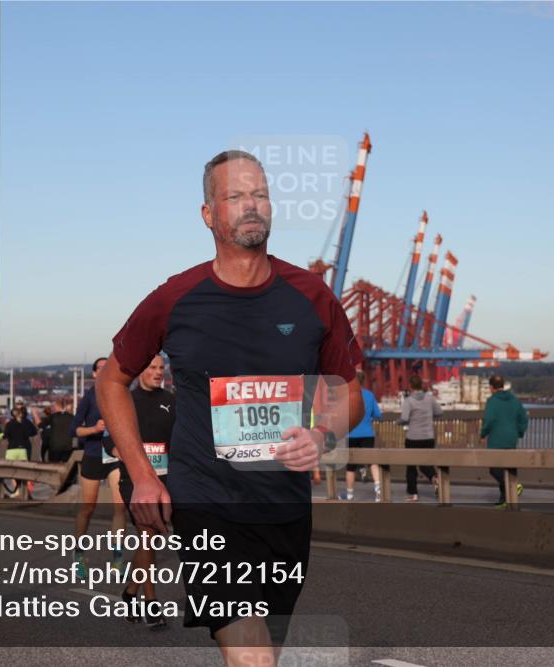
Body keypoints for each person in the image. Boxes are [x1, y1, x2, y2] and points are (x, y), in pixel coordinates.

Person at [97, 149, 364, 662]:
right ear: (208, 214)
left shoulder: (311, 296)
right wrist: (144, 475)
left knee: (269, 651)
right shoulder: (175, 298)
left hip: (285, 509)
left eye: (260, 195)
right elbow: (112, 381)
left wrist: (322, 434)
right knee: (253, 656)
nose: (251, 206)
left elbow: (350, 390)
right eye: (235, 196)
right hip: (207, 504)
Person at [107, 355, 176, 628]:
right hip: (134, 481)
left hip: (165, 480)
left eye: (161, 368)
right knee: (147, 535)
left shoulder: (172, 402)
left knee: (152, 541)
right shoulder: (126, 400)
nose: (158, 372)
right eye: (152, 367)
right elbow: (109, 438)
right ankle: (151, 603)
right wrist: (117, 449)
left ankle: (130, 592)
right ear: (140, 371)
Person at [71, 357, 128, 575]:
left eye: (108, 368)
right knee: (88, 508)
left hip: (114, 455)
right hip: (94, 455)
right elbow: (75, 430)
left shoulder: (121, 393)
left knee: (119, 507)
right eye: (101, 368)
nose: (105, 371)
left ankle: (117, 558)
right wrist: (94, 428)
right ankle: (79, 555)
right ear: (94, 374)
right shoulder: (89, 397)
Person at [479, 374, 528, 509]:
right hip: (511, 438)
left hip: (496, 439)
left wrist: (483, 434)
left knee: (494, 468)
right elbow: (524, 418)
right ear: (502, 385)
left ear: (491, 387)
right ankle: (505, 499)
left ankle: (514, 486)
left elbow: (488, 420)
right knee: (509, 467)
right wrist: (519, 432)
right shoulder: (514, 400)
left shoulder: (492, 401)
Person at [343, 371, 384, 502]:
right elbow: (378, 415)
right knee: (372, 462)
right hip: (367, 433)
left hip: (351, 434)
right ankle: (379, 491)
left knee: (350, 466)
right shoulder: (369, 395)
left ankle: (349, 495)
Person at [401, 375, 444, 502]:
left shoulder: (408, 401)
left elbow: (404, 418)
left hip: (413, 438)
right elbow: (440, 412)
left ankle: (413, 493)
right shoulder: (430, 399)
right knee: (426, 463)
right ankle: (435, 479)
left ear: (410, 386)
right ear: (421, 385)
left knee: (411, 466)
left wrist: (399, 422)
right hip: (428, 437)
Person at [3, 407, 37, 498]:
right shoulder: (25, 423)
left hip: (12, 450)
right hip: (23, 449)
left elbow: (5, 436)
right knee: (25, 471)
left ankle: (17, 491)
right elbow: (33, 432)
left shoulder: (9, 424)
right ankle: (27, 490)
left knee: (13, 472)